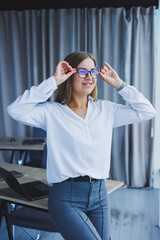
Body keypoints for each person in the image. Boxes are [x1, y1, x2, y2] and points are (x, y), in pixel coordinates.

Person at [7, 51, 156, 240]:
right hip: (65, 198)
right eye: (83, 72)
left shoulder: (106, 110)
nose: (90, 77)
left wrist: (120, 85)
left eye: (93, 72)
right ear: (69, 75)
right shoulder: (51, 112)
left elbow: (147, 111)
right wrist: (53, 81)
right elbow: (14, 110)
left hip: (100, 196)